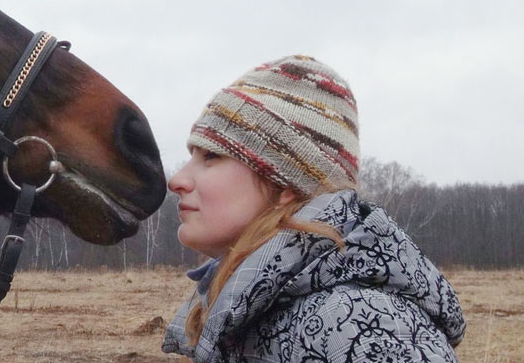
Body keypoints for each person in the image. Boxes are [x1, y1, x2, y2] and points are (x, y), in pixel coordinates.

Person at [161, 55, 465, 363]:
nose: (177, 180)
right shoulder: (255, 310)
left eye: (211, 156)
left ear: (285, 186)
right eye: (192, 156)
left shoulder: (357, 327)